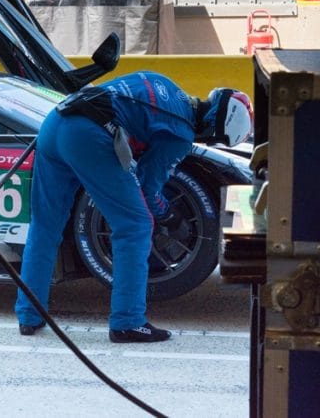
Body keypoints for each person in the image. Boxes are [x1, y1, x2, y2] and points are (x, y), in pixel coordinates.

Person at [14, 74, 253, 343]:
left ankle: (28, 314)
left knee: (45, 225)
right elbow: (148, 189)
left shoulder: (166, 82)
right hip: (88, 136)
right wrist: (169, 216)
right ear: (214, 128)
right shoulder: (181, 133)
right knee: (135, 225)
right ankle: (128, 322)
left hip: (54, 123)